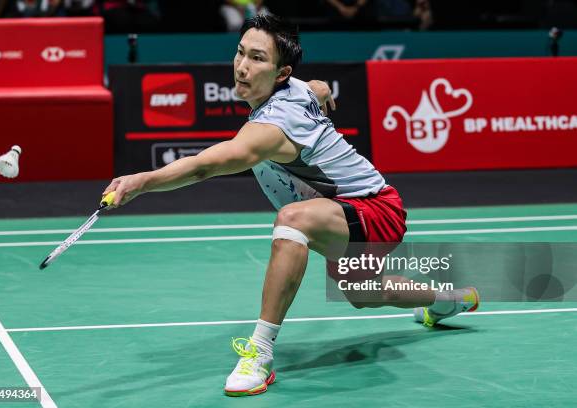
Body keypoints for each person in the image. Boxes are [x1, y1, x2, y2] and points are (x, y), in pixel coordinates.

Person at [102, 14, 479, 397]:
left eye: (257, 59)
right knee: (365, 293)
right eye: (240, 53)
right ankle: (450, 300)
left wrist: (141, 181)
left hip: (374, 208)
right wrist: (320, 88)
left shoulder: (273, 126)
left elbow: (207, 166)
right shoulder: (292, 87)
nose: (243, 67)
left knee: (292, 220)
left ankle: (260, 353)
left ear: (280, 73)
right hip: (339, 212)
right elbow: (313, 86)